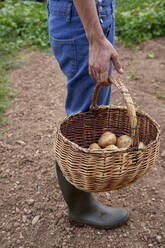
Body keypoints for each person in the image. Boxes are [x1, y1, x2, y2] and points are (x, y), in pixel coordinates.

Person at [47, 0, 128, 229]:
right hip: (82, 20)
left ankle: (79, 194)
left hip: (87, 14)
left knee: (91, 116)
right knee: (85, 119)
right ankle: (80, 207)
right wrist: (95, 37)